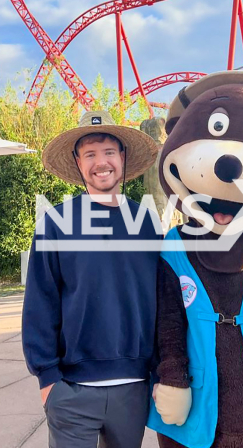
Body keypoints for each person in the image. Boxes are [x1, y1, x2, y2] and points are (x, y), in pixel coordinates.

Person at [22, 111, 161, 448]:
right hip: (71, 389)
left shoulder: (147, 224)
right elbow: (40, 304)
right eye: (90, 154)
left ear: (123, 158)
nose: (102, 162)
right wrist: (48, 379)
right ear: (78, 162)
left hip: (135, 387)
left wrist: (159, 372)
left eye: (109, 152)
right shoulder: (55, 224)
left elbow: (162, 303)